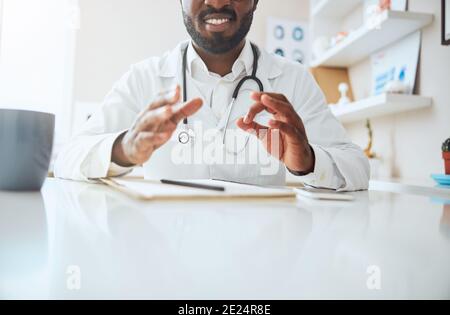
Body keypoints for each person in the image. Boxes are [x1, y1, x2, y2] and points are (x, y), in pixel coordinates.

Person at [55, 0, 369, 191]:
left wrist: (308, 161)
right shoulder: (143, 78)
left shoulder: (293, 80)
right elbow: (69, 158)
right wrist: (125, 148)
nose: (217, 2)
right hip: (168, 267)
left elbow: (357, 168)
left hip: (263, 269)